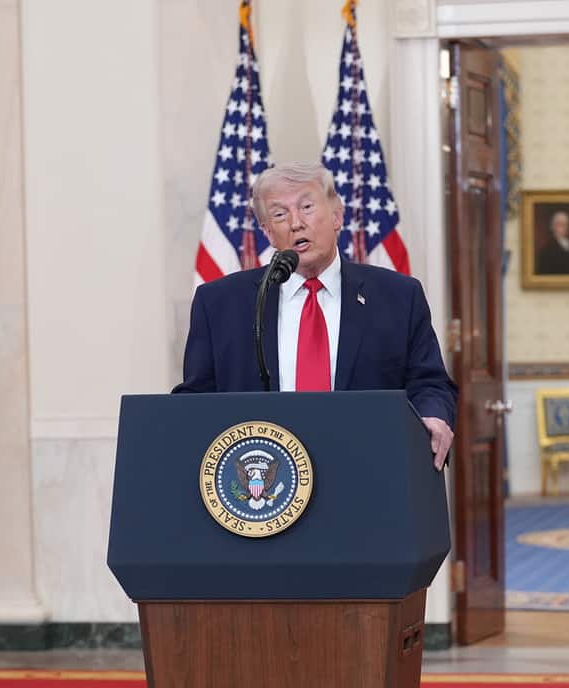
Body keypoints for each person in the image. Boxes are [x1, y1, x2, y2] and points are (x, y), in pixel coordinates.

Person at [174, 160, 457, 468]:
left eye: (307, 207)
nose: (296, 223)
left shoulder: (398, 297)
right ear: (268, 233)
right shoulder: (220, 304)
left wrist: (433, 416)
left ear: (337, 216)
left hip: (369, 471)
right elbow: (196, 401)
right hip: (264, 485)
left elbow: (429, 383)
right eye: (280, 214)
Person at [534, 209, 569, 275]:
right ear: (552, 227)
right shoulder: (546, 251)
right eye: (561, 224)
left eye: (567, 224)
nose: (565, 227)